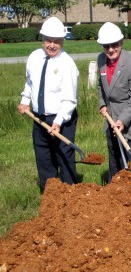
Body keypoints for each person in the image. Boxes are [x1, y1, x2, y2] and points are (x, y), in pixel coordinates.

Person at [17, 17, 79, 192]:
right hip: (39, 118)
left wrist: (58, 122)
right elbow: (30, 83)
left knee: (64, 157)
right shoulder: (35, 57)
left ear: (62, 41)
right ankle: (50, 197)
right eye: (48, 41)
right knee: (43, 157)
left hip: (62, 119)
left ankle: (70, 195)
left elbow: (69, 99)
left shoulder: (68, 65)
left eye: (56, 41)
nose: (51, 45)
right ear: (43, 39)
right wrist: (24, 101)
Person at [97, 22, 131, 182]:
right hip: (112, 121)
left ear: (121, 43)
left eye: (114, 45)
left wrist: (123, 120)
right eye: (106, 46)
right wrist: (102, 103)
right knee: (115, 166)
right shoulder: (101, 60)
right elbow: (100, 85)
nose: (110, 49)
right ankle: (115, 200)